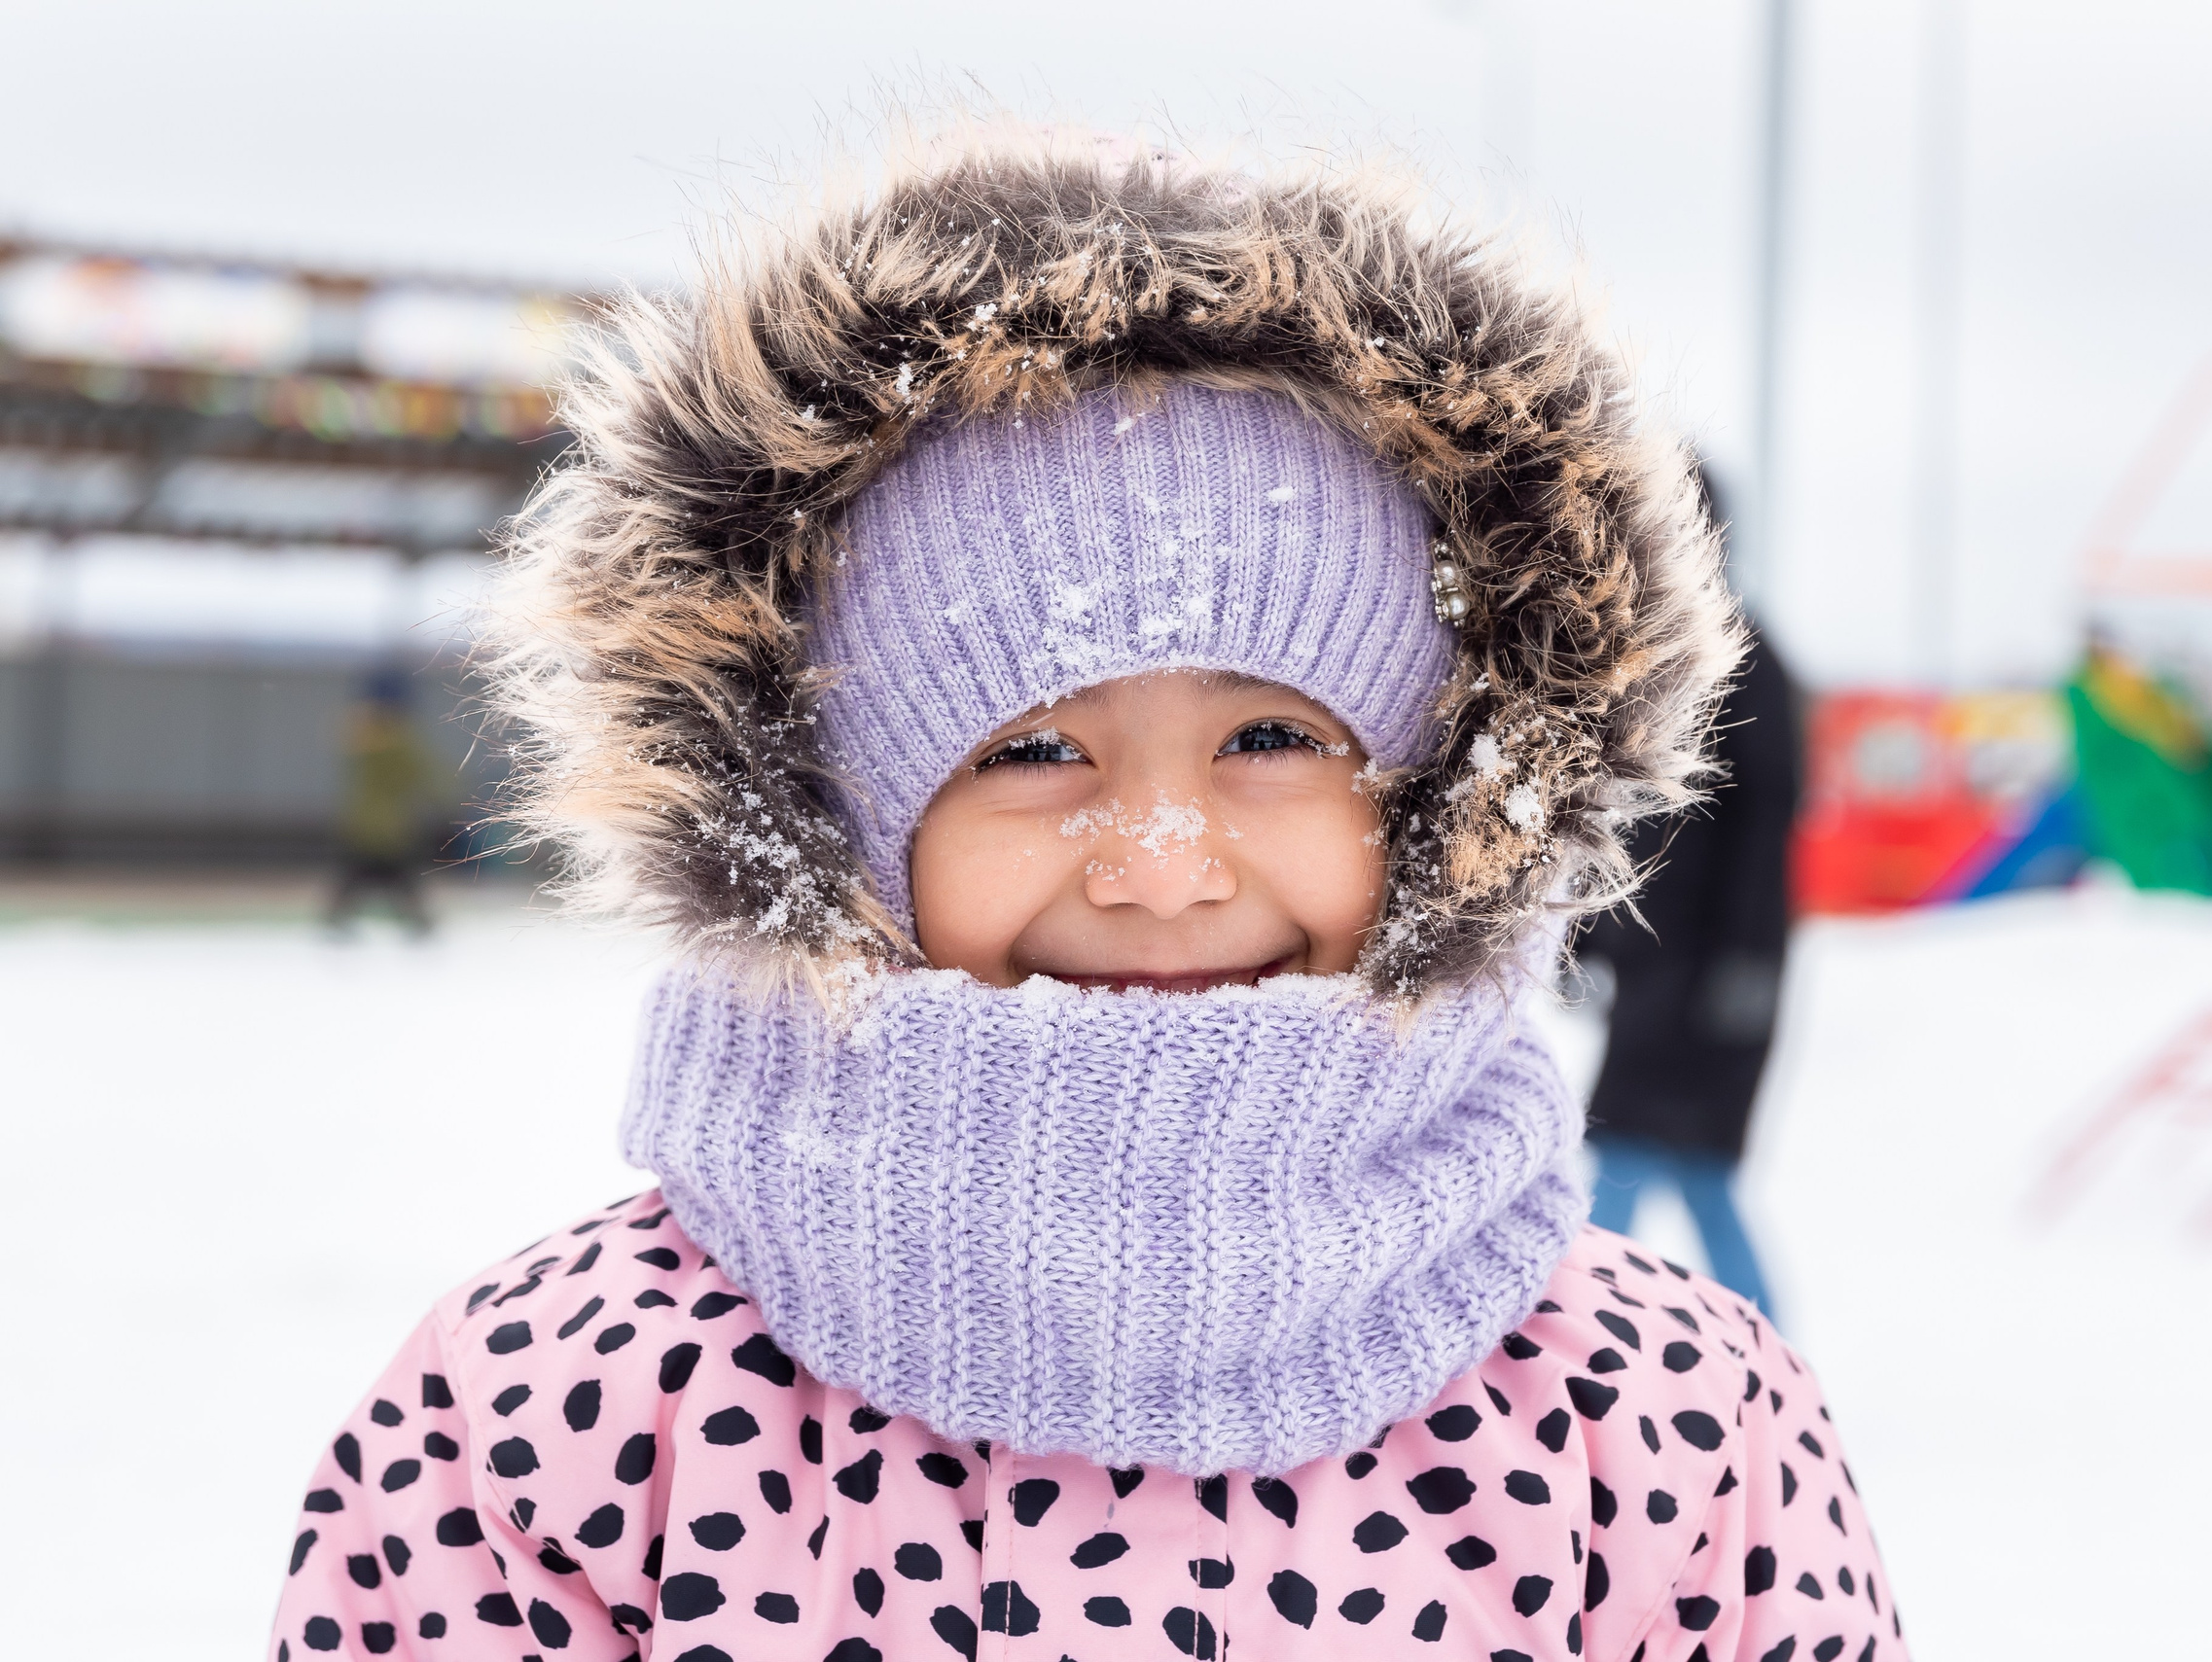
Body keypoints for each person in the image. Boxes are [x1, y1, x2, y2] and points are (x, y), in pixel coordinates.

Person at [271, 124, 1905, 1662]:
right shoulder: (562, 1417)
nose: (1162, 858)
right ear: (834, 814)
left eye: (1274, 734)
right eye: (1032, 745)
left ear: (1440, 803)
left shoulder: (1666, 1424)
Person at [1579, 571, 1800, 1318]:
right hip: (1659, 969)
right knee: (1656, 1164)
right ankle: (1766, 1349)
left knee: (1661, 1165)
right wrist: (1585, 938)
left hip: (1711, 978)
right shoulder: (1651, 657)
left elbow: (1763, 833)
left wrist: (1747, 962)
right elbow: (1620, 819)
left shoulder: (1745, 663)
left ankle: (1588, 1336)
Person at [324, 670, 454, 937]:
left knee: (361, 873)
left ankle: (339, 917)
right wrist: (448, 802)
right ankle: (418, 921)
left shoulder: (360, 735)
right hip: (392, 824)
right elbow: (423, 775)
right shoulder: (400, 740)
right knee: (396, 873)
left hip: (361, 821)